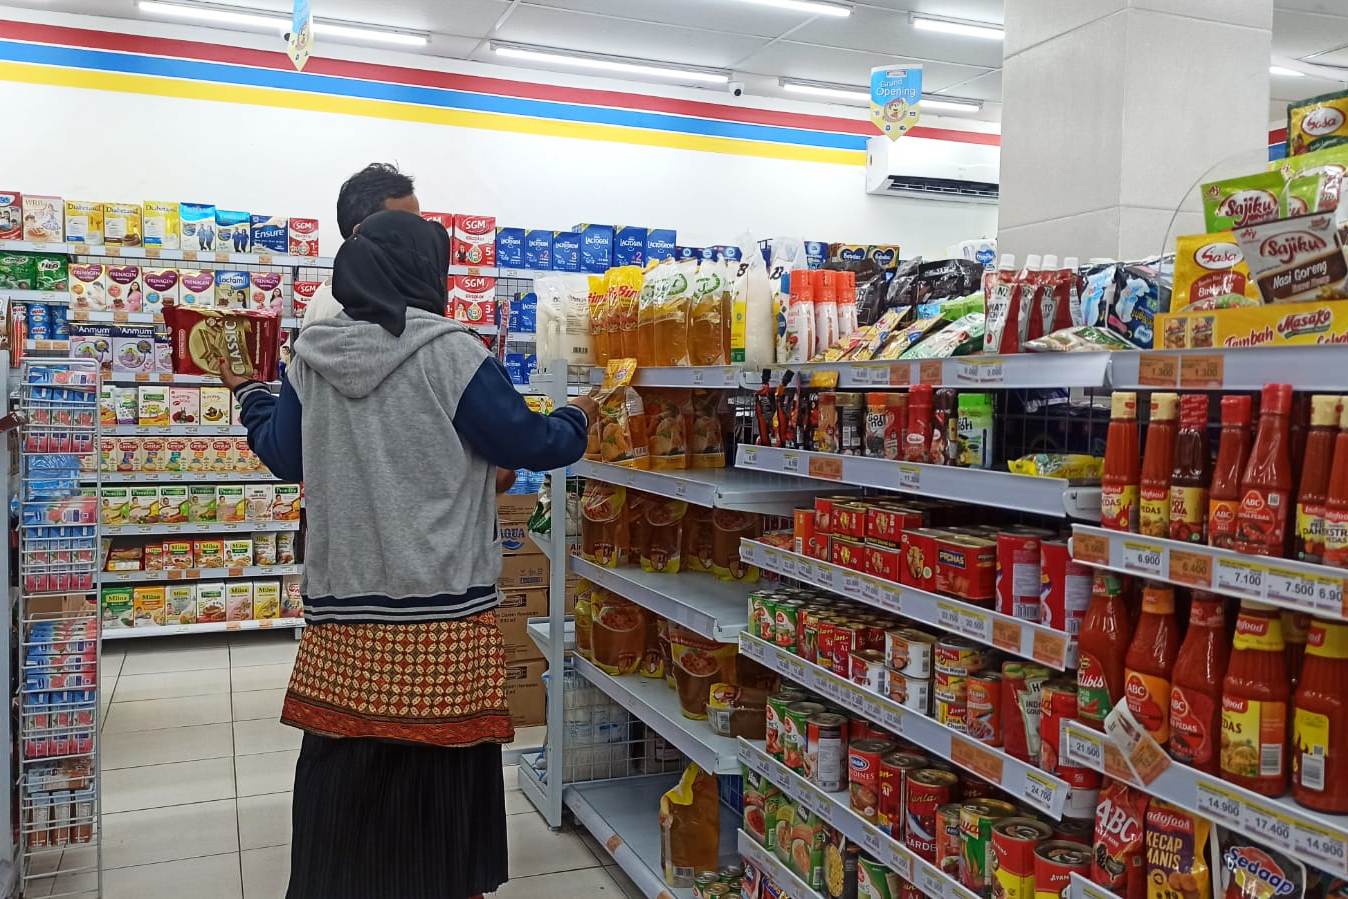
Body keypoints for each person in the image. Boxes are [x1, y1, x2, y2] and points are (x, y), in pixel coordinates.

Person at [220, 209, 595, 899]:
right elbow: (531, 444)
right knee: (440, 781)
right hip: (443, 618)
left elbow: (282, 453)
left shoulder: (314, 354)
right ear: (430, 273)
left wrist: (249, 394)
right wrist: (580, 416)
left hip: (345, 619)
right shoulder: (452, 352)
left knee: (346, 774)